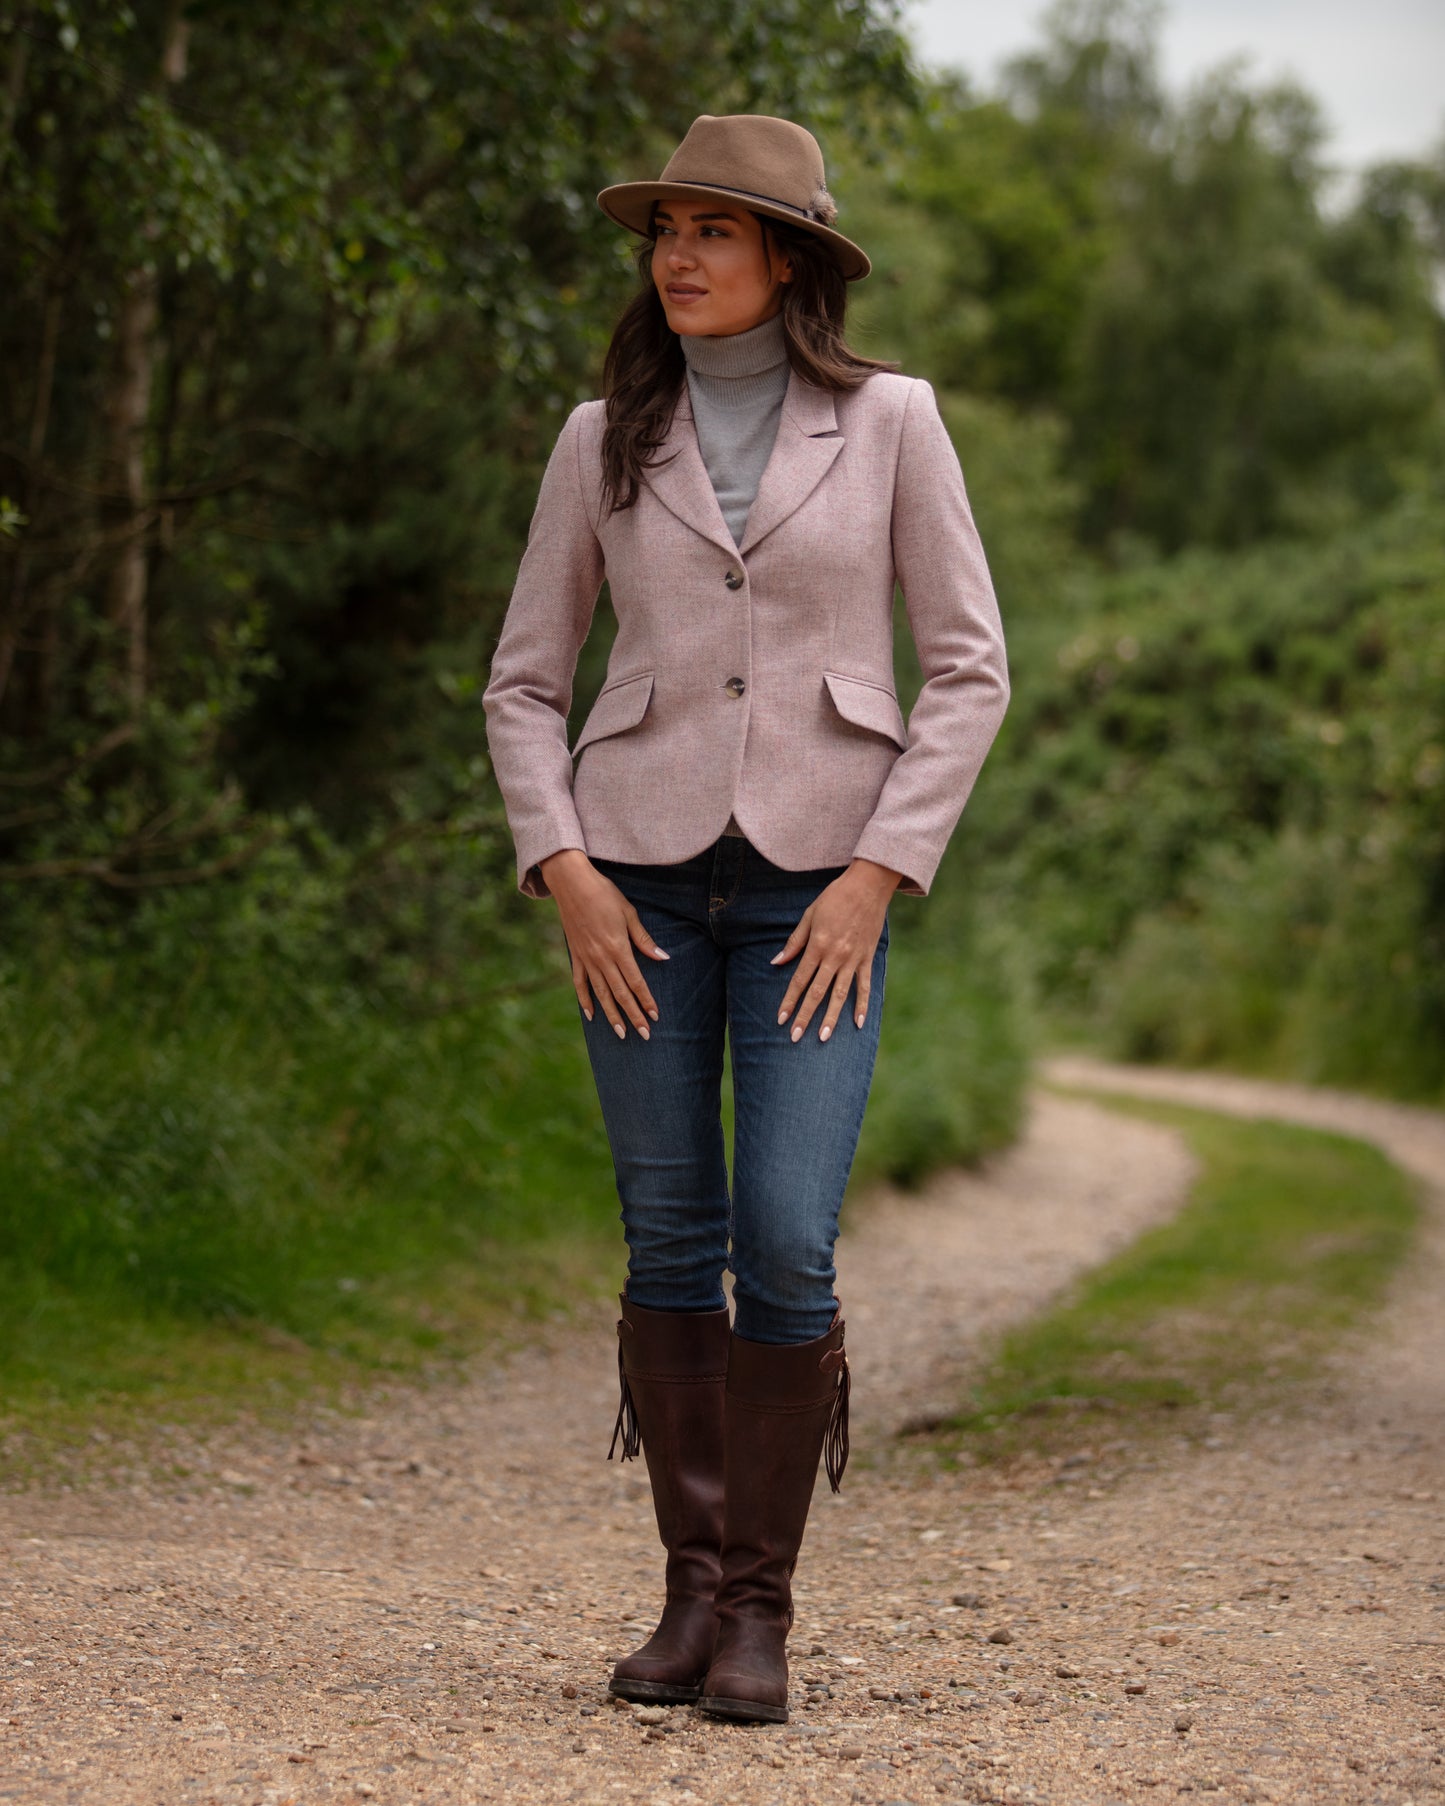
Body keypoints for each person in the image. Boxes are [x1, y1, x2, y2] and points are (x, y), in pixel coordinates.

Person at [482, 113, 1008, 1725]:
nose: (680, 256)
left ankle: (765, 1606)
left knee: (785, 1234)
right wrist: (559, 867)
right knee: (670, 1237)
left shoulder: (896, 421)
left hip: (815, 890)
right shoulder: (600, 436)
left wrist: (877, 872)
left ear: (789, 258)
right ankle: (690, 1591)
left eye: (717, 230)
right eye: (666, 230)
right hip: (631, 882)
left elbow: (970, 669)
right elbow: (521, 681)